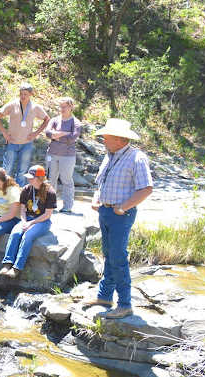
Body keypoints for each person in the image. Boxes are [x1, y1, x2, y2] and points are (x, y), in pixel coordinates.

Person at [86, 119, 153, 319]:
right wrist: (96, 199)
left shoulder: (137, 158)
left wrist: (123, 208)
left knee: (118, 257)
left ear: (119, 139)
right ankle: (105, 297)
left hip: (120, 215)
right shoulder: (110, 156)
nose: (103, 140)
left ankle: (125, 304)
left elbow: (146, 189)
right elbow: (101, 183)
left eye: (106, 137)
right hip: (106, 212)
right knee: (109, 254)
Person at [0, 165, 55, 279]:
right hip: (27, 218)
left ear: (40, 178)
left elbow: (47, 214)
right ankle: (7, 263)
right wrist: (24, 221)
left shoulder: (50, 192)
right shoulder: (26, 189)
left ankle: (17, 268)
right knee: (15, 232)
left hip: (42, 221)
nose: (29, 179)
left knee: (27, 236)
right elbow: (22, 209)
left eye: (31, 177)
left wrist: (31, 224)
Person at [0, 83, 50, 186]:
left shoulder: (35, 107)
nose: (23, 96)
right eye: (21, 94)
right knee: (7, 170)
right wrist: (4, 133)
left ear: (31, 94)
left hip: (27, 144)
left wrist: (36, 133)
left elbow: (47, 119)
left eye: (25, 94)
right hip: (12, 143)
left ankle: (20, 195)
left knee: (22, 171)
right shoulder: (12, 104)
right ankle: (3, 192)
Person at [44, 97, 82, 212]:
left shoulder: (76, 122)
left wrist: (57, 136)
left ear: (71, 107)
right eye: (60, 106)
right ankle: (50, 205)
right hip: (52, 154)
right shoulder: (54, 120)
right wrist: (63, 134)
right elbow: (48, 133)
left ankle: (67, 207)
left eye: (64, 106)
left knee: (66, 180)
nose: (62, 109)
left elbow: (72, 138)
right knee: (50, 179)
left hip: (67, 156)